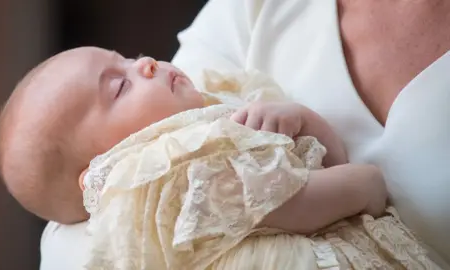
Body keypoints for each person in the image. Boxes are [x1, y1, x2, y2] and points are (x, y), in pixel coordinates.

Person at [38, 0, 450, 269]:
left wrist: (303, 121)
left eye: (128, 59)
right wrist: (363, 185)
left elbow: (324, 159)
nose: (145, 62)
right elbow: (285, 204)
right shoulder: (167, 174)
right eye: (120, 86)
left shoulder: (210, 111)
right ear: (98, 173)